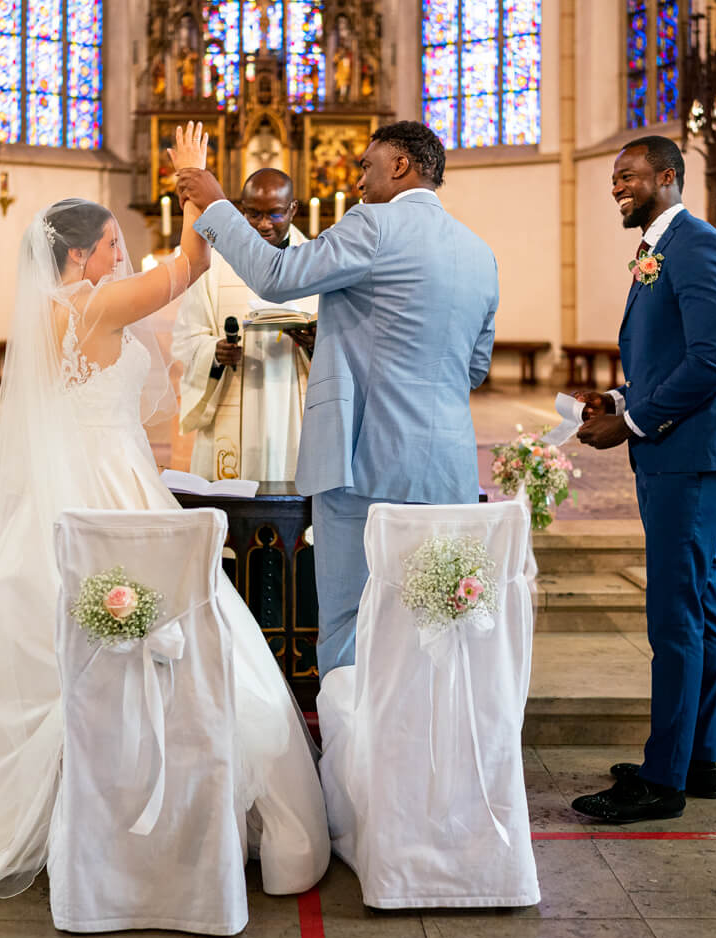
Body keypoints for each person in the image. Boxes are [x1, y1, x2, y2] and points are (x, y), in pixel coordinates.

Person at [0, 123, 329, 903]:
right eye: (109, 249)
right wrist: (197, 180)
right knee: (173, 635)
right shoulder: (92, 307)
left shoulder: (60, 313)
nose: (120, 257)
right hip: (110, 487)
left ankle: (84, 809)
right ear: (75, 258)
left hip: (68, 494)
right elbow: (190, 268)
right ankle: (133, 815)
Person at [174, 120, 497, 678]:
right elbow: (474, 368)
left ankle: (355, 762)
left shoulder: (372, 225)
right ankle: (421, 752)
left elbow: (276, 276)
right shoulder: (480, 252)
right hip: (446, 469)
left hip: (363, 464)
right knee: (431, 624)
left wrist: (213, 202)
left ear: (401, 166)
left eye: (367, 169)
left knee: (348, 624)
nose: (357, 185)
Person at [572, 135, 716, 824]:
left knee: (674, 613)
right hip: (678, 447)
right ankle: (695, 760)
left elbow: (711, 363)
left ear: (669, 177)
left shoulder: (698, 246)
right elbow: (670, 358)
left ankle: (662, 779)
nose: (618, 186)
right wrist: (620, 401)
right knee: (698, 602)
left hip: (692, 453)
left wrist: (635, 422)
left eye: (630, 175)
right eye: (614, 177)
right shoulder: (659, 249)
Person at [173, 169, 317, 482]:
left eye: (275, 214)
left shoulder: (316, 262)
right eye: (253, 214)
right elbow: (186, 339)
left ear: (293, 208)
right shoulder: (211, 264)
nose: (264, 225)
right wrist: (214, 352)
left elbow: (343, 345)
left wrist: (315, 344)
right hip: (232, 397)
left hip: (294, 408)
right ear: (240, 210)